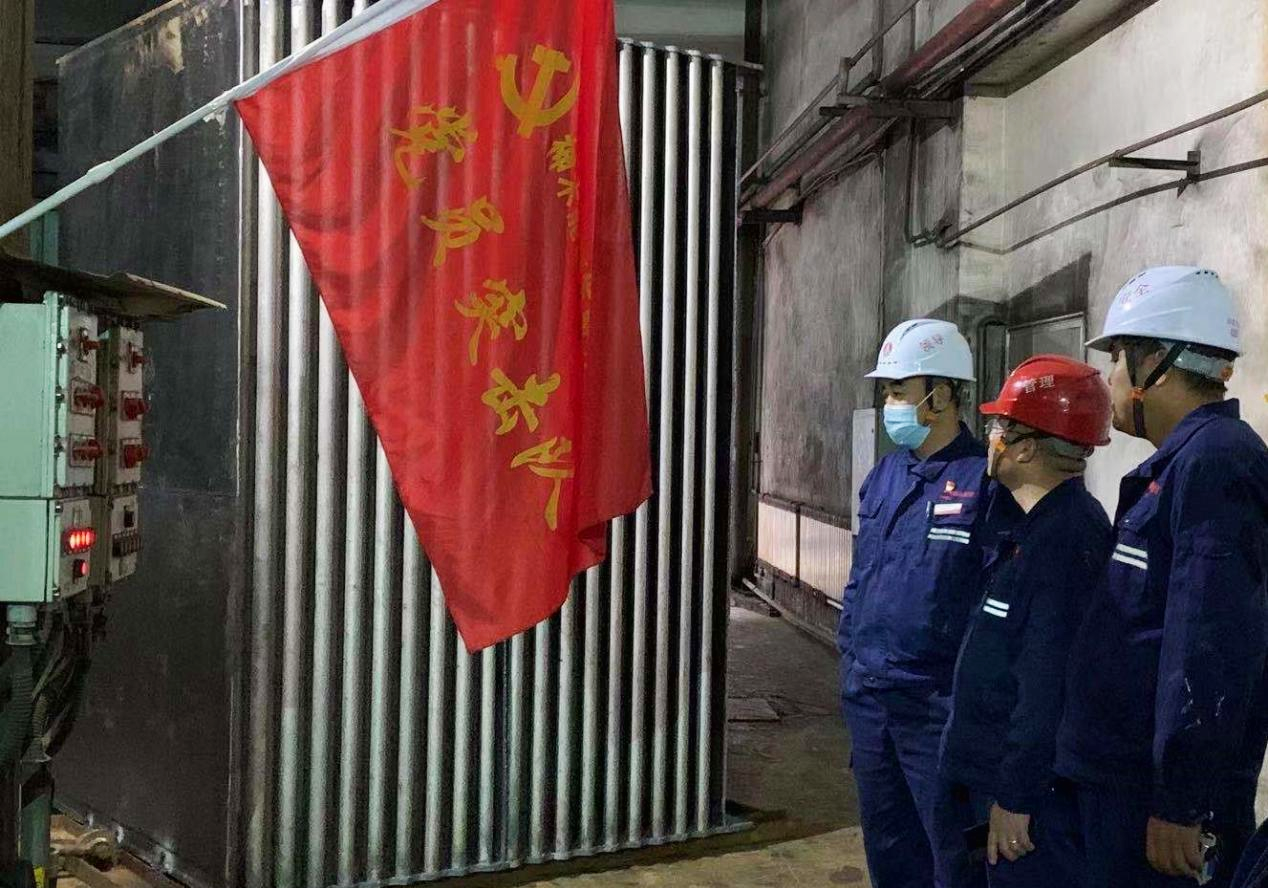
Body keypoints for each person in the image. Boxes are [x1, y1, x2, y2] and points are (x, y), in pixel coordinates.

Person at [1052, 266, 1268, 888]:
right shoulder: (1179, 466)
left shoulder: (1216, 463)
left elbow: (1211, 642)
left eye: (1117, 357)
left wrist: (1181, 802)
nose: (1110, 377)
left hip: (1154, 802)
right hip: (1120, 781)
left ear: (1157, 363)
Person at [840, 318, 1019, 888]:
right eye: (887, 392)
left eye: (898, 391)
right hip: (872, 705)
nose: (888, 405)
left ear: (940, 396)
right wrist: (852, 667)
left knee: (953, 862)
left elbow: (996, 609)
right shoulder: (884, 475)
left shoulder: (986, 484)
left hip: (937, 715)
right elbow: (861, 580)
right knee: (890, 854)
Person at [938, 355, 1114, 888]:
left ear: (1027, 448)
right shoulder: (1031, 526)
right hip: (984, 772)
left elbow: (1046, 684)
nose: (991, 438)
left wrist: (1016, 796)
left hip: (1020, 797)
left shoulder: (1067, 539)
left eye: (1000, 426)